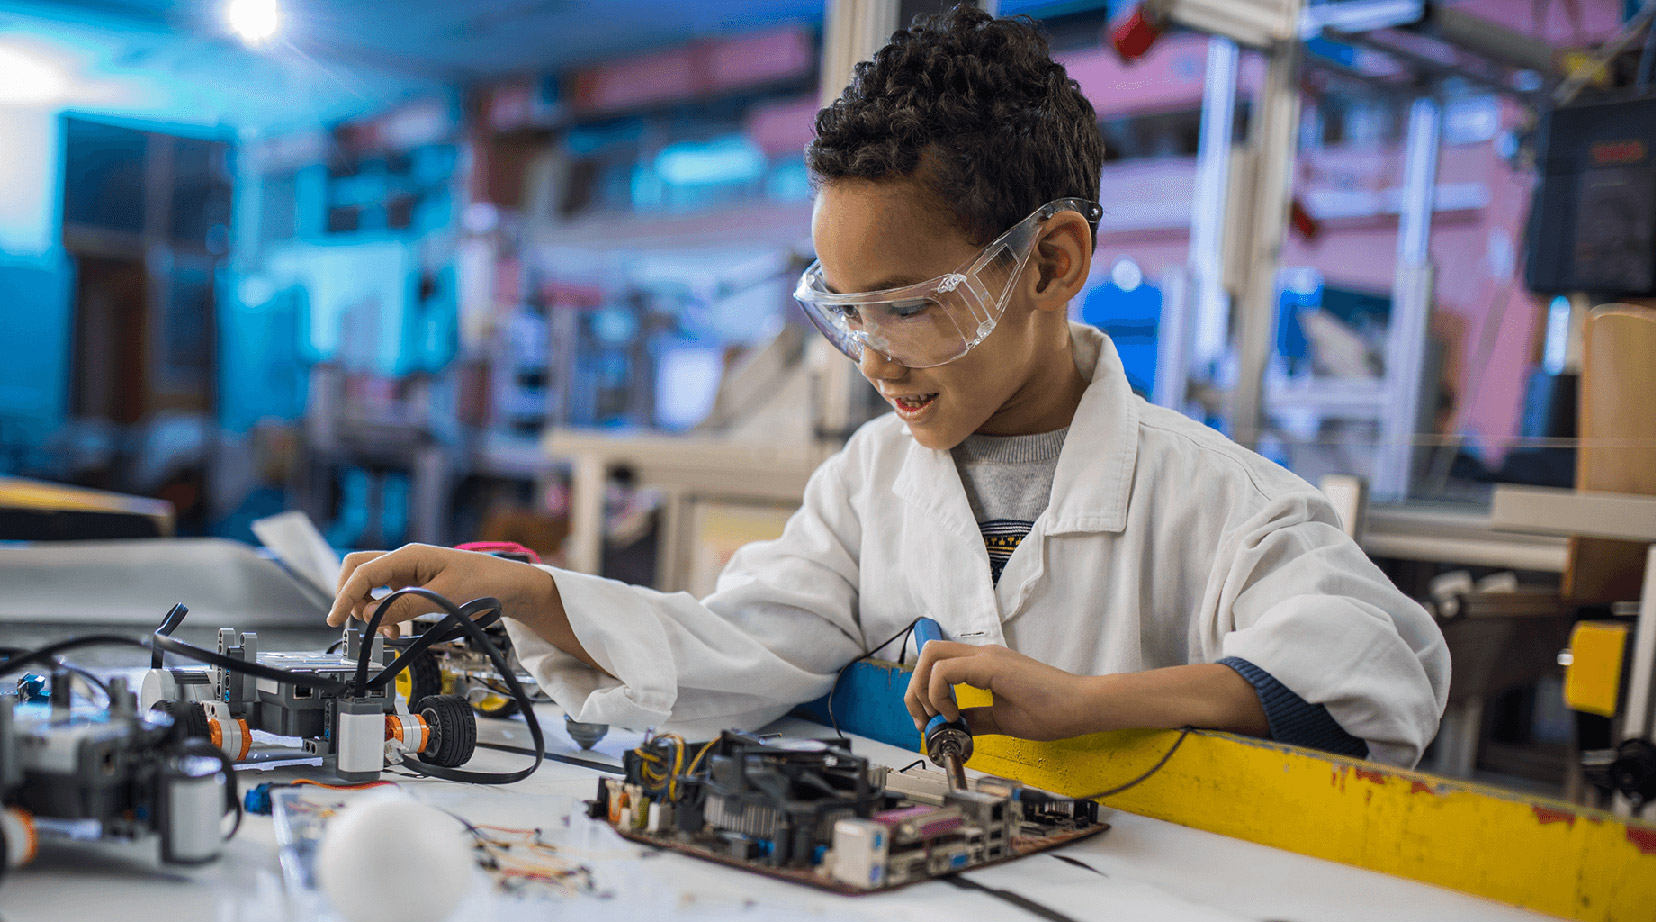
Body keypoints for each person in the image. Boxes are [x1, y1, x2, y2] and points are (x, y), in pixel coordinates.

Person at [328, 7, 1449, 765]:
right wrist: (525, 593)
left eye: (909, 306)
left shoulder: (1224, 502)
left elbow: (1375, 671)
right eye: (846, 312)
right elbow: (739, 647)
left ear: (1052, 262)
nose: (871, 358)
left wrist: (1089, 705)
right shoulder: (868, 483)